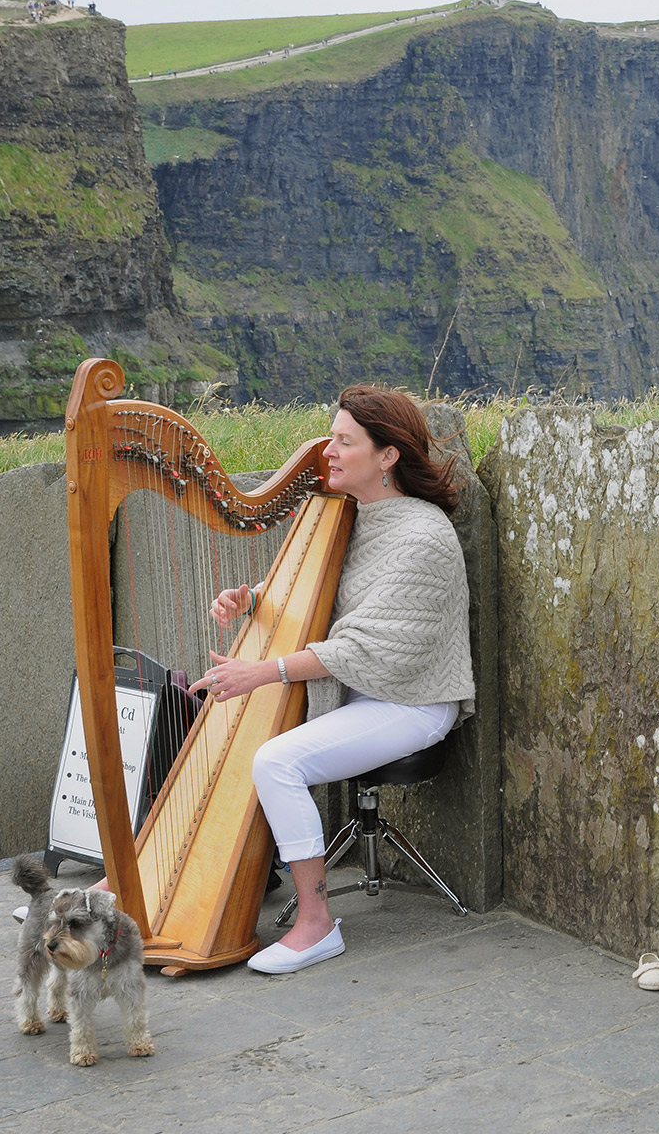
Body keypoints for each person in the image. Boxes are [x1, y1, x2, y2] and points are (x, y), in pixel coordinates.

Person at [191, 386, 475, 973]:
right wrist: (253, 598)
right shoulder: (352, 515)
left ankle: (317, 925)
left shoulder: (424, 537)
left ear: (388, 455)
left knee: (276, 762)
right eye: (332, 438)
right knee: (200, 717)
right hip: (359, 692)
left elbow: (367, 643)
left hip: (412, 700)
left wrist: (262, 672)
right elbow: (329, 595)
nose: (330, 452)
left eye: (345, 441)